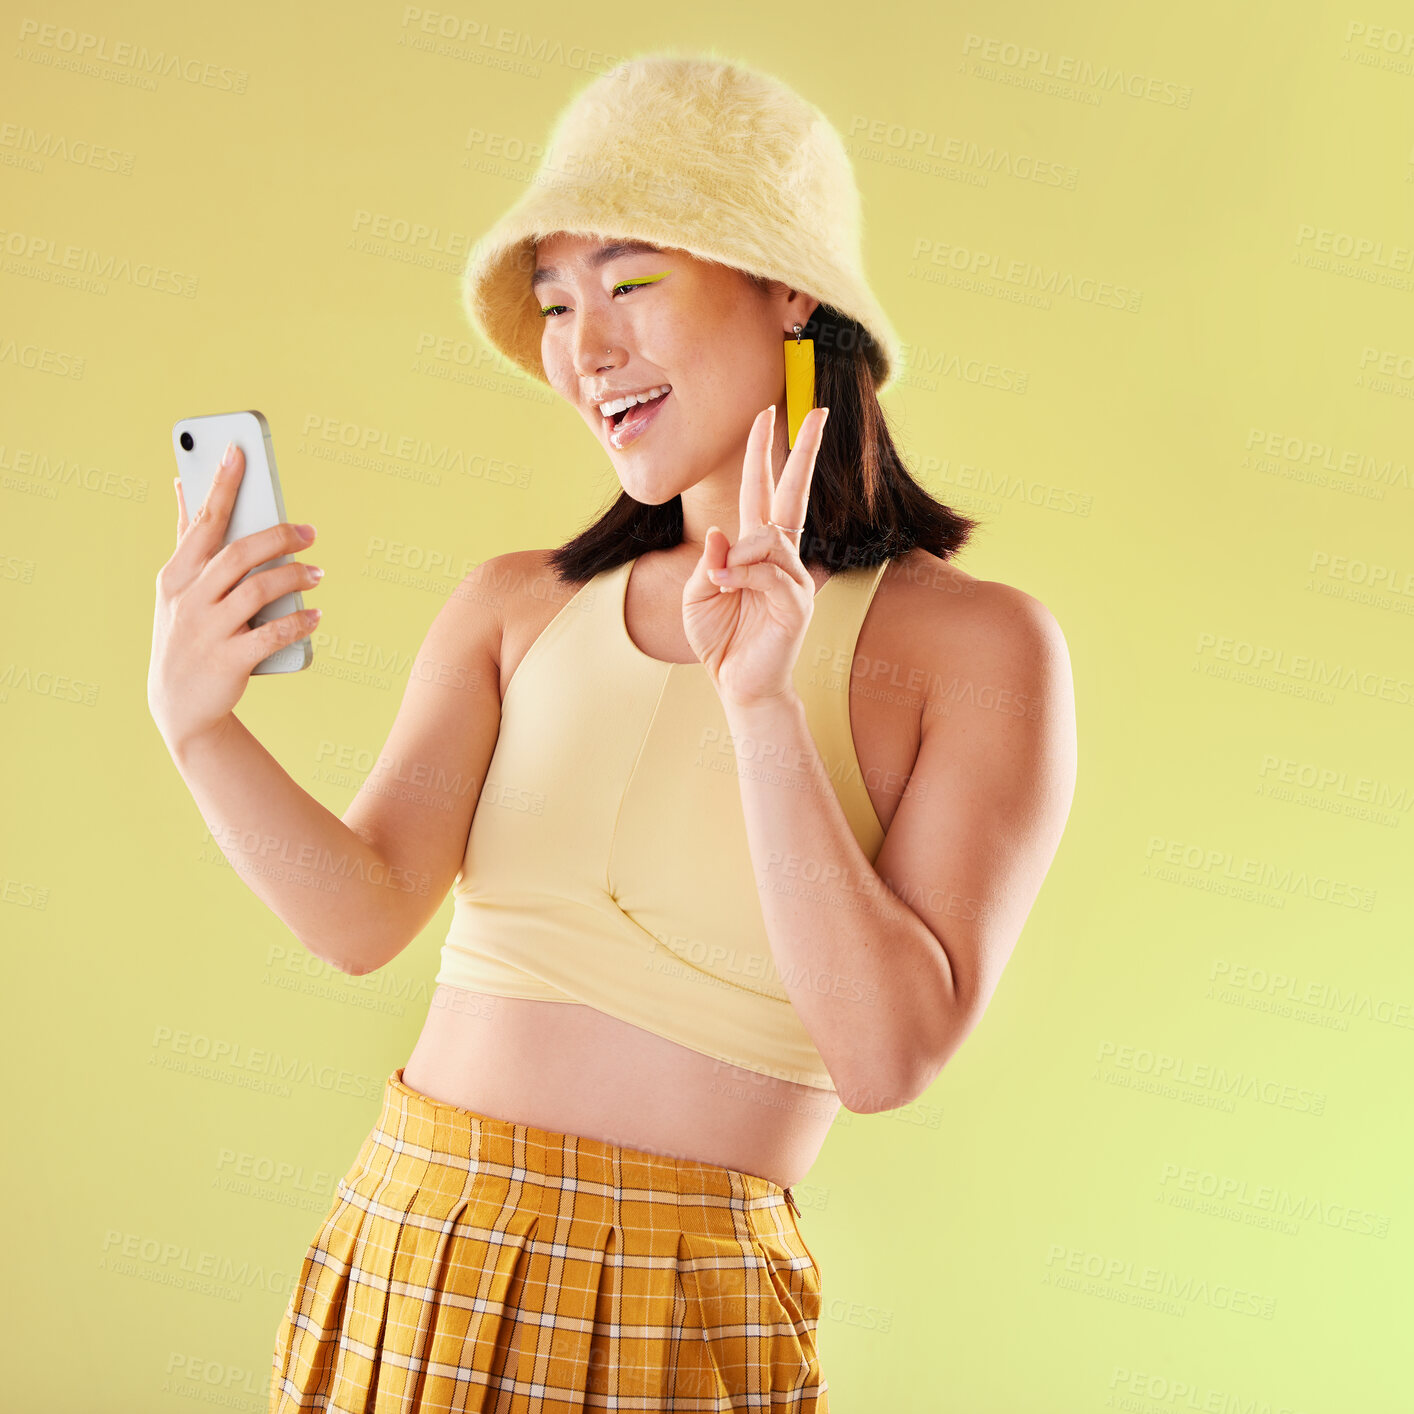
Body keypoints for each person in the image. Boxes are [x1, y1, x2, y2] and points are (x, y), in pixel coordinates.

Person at [149, 50, 1076, 1413]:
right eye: (556, 301)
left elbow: (886, 1057)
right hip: (416, 1250)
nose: (583, 349)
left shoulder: (978, 648)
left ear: (787, 286)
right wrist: (197, 728)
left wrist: (760, 703)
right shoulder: (517, 606)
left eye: (630, 281)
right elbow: (358, 917)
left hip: (684, 1306)